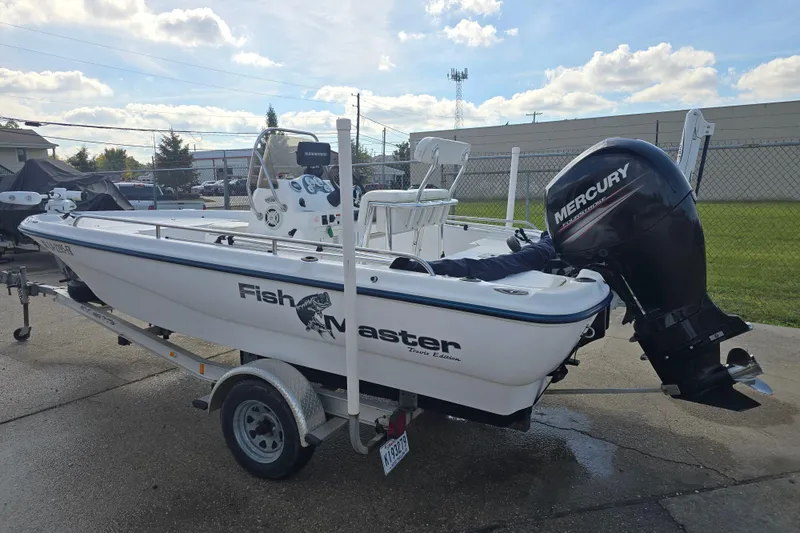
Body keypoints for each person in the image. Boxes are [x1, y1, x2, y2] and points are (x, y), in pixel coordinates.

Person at [389, 231, 556, 282]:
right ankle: (422, 267)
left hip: (545, 248)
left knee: (489, 266)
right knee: (495, 265)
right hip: (547, 246)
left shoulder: (549, 241)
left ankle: (422, 267)